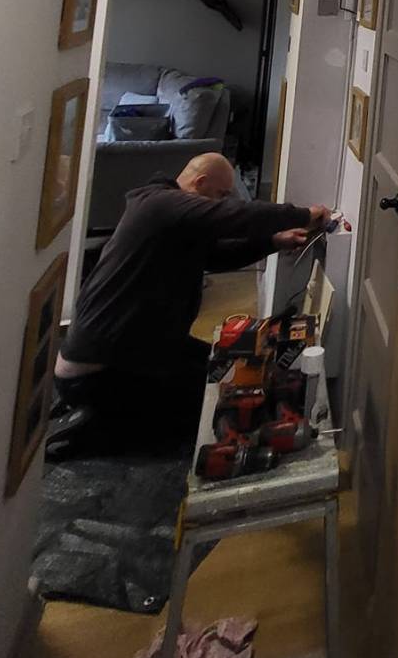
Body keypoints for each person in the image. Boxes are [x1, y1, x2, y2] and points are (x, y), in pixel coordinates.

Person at [47, 153, 332, 459]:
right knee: (207, 409)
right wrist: (303, 215)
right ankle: (97, 427)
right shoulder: (161, 205)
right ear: (200, 183)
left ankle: (110, 413)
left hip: (135, 350)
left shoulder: (167, 213)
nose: (222, 202)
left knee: (221, 372)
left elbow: (217, 256)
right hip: (100, 372)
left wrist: (273, 242)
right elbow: (236, 216)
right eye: (220, 194)